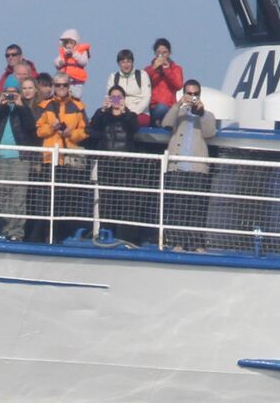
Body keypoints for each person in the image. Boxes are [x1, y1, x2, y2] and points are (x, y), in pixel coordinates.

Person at [161, 79, 219, 251]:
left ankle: (196, 244)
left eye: (195, 94)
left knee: (196, 207)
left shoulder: (207, 115)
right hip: (177, 166)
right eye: (189, 93)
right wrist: (178, 105)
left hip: (197, 168)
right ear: (184, 93)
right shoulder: (178, 113)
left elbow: (209, 133)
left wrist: (200, 114)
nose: (192, 97)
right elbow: (166, 123)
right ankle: (178, 242)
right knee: (177, 206)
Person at [88, 85, 149, 244]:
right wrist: (102, 110)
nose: (116, 100)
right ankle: (105, 233)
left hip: (125, 165)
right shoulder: (102, 114)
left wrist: (125, 113)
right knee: (106, 201)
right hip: (106, 163)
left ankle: (124, 237)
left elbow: (134, 128)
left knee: (125, 200)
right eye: (113, 97)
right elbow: (93, 128)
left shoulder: (130, 115)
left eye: (119, 97)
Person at [0, 76, 43, 241]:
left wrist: (20, 106)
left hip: (19, 159)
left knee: (18, 197)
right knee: (3, 195)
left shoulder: (24, 108)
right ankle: (8, 229)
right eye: (8, 93)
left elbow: (31, 127)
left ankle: (17, 232)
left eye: (14, 93)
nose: (10, 96)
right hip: (0, 158)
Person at [35, 74, 91, 241]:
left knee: (67, 200)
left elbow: (86, 131)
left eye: (64, 85)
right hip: (49, 158)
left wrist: (71, 134)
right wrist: (51, 128)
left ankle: (63, 237)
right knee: (46, 201)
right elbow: (38, 130)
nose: (61, 89)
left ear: (69, 86)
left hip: (69, 160)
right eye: (58, 85)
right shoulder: (44, 105)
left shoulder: (78, 106)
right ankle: (46, 237)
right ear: (53, 86)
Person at [145, 39, 186, 124]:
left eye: (164, 52)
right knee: (160, 109)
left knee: (163, 108)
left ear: (169, 53)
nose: (161, 55)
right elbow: (143, 83)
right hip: (153, 107)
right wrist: (153, 69)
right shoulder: (148, 69)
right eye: (159, 52)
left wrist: (167, 70)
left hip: (170, 106)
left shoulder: (176, 69)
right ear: (155, 53)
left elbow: (178, 85)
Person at [105, 50, 151, 119]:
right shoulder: (114, 77)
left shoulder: (142, 75)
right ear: (118, 63)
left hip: (140, 113)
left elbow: (147, 97)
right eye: (123, 62)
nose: (126, 65)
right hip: (119, 111)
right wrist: (121, 110)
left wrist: (133, 112)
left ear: (132, 62)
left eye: (128, 62)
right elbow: (110, 97)